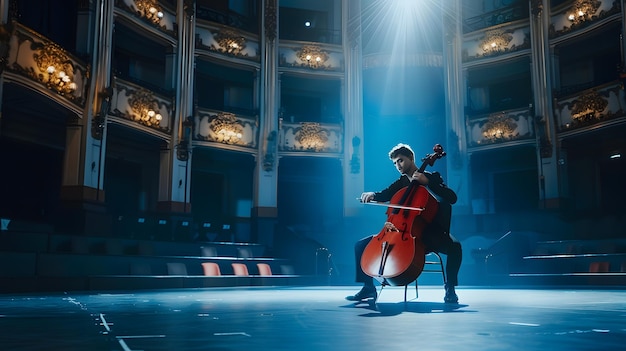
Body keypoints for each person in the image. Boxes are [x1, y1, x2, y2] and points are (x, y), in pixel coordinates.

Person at [346, 143, 462, 304]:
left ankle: (450, 288)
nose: (398, 166)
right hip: (403, 232)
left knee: (455, 247)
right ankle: (368, 288)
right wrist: (371, 194)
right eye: (395, 163)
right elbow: (384, 194)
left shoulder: (432, 177)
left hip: (430, 232)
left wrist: (427, 182)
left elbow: (451, 198)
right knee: (361, 245)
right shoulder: (401, 182)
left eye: (400, 160)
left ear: (411, 158)